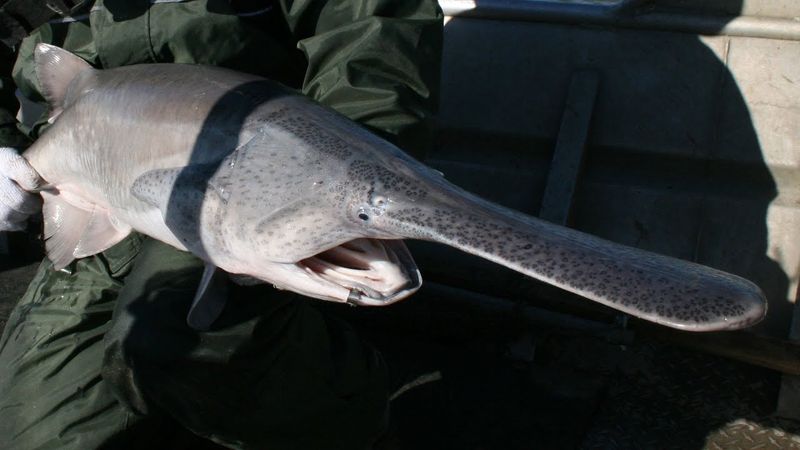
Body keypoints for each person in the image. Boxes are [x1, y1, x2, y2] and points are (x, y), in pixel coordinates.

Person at [0, 1, 443, 449]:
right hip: (99, 187)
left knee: (180, 334)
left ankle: (348, 413)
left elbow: (373, 46)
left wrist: (335, 182)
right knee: (39, 434)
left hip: (244, 186)